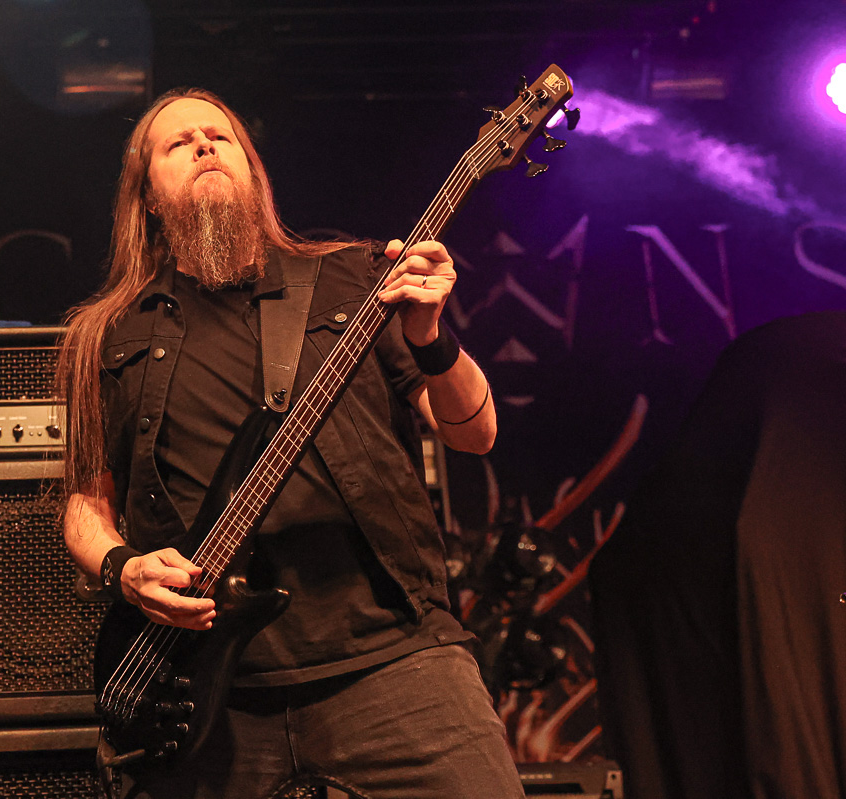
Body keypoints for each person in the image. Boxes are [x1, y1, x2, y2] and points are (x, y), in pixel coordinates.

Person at [58, 88, 523, 799]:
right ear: (147, 197)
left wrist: (431, 338)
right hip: (207, 692)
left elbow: (475, 433)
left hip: (393, 662)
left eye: (221, 136)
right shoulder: (106, 334)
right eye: (178, 143)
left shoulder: (353, 278)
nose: (205, 145)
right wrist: (123, 570)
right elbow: (85, 505)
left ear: (253, 170)